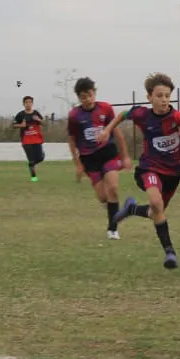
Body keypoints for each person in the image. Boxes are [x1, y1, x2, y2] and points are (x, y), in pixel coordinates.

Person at [98, 73, 180, 269]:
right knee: (156, 203)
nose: (164, 100)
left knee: (156, 211)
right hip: (149, 168)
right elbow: (123, 115)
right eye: (159, 96)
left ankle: (132, 209)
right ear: (149, 97)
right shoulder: (143, 115)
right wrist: (107, 130)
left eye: (167, 96)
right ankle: (170, 253)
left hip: (173, 174)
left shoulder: (178, 117)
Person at [66, 77, 132, 240]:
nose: (87, 99)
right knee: (103, 196)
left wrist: (125, 156)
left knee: (113, 189)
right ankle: (117, 212)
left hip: (107, 153)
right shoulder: (74, 116)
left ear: (94, 93)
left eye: (89, 95)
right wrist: (78, 165)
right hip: (89, 159)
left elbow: (117, 132)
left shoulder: (105, 109)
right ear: (78, 98)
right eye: (83, 97)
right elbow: (72, 140)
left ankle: (113, 229)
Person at [13, 96, 46, 181]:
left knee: (40, 158)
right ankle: (34, 178)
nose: (28, 104)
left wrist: (39, 120)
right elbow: (13, 125)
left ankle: (33, 164)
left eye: (30, 102)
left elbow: (44, 124)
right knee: (31, 160)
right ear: (23, 104)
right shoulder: (20, 114)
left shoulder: (36, 113)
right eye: (26, 102)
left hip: (36, 138)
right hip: (26, 140)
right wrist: (21, 125)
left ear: (32, 103)